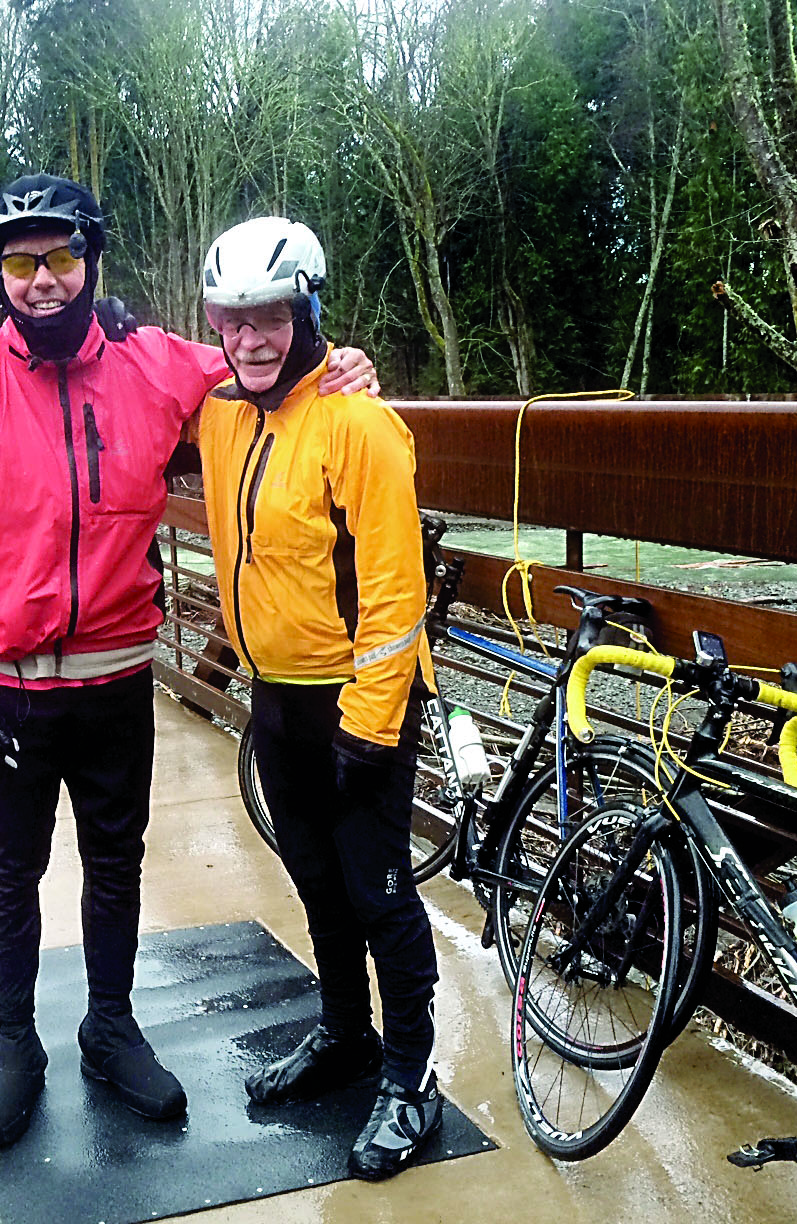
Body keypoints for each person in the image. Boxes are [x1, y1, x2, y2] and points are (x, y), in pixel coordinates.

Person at [0, 174, 378, 1150]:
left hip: (117, 681)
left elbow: (262, 367)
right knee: (12, 868)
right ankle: (15, 1042)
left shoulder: (155, 366)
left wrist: (343, 370)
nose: (41, 280)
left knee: (115, 865)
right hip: (9, 690)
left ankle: (109, 1026)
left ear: (92, 262)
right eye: (21, 262)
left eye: (61, 258)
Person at [190, 217, 440, 1181]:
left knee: (380, 897)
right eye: (229, 318)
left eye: (269, 317)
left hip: (356, 706)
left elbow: (394, 590)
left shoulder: (359, 424)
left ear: (306, 313)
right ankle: (345, 1034)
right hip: (276, 699)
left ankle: (410, 1079)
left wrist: (373, 727)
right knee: (317, 884)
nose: (248, 337)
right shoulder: (221, 413)